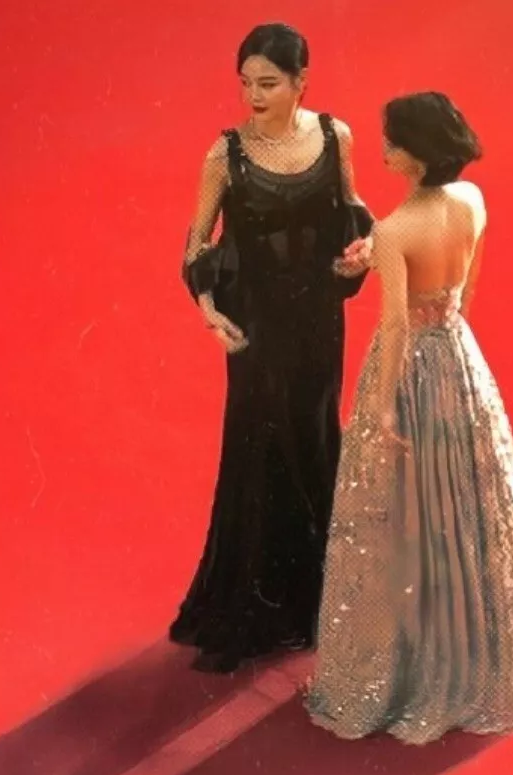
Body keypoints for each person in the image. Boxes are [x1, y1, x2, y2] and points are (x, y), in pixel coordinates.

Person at [306, 92, 513, 743]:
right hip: (459, 352)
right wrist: (402, 278)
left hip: (409, 372)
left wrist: (382, 405)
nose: (384, 149)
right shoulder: (472, 200)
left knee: (405, 509)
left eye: (393, 141)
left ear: (419, 155)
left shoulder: (397, 228)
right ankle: (474, 652)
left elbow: (397, 325)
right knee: (466, 505)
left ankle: (413, 664)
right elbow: (466, 283)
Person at [169, 24, 374, 673]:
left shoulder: (336, 137)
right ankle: (249, 613)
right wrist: (209, 312)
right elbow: (197, 242)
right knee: (258, 449)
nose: (253, 96)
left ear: (300, 81)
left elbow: (353, 207)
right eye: (245, 83)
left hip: (317, 321)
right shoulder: (223, 154)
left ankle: (319, 606)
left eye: (268, 83)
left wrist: (365, 248)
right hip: (255, 328)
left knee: (314, 442)